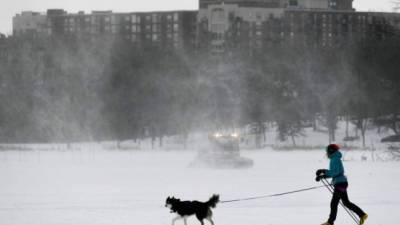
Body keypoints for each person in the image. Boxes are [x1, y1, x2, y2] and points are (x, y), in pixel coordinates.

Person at [315, 144, 368, 225]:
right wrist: (323, 174)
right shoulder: (335, 159)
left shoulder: (335, 159)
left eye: (327, 152)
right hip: (341, 183)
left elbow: (335, 172)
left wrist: (324, 173)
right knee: (345, 203)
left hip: (340, 184)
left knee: (335, 203)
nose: (326, 154)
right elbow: (334, 172)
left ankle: (330, 222)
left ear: (331, 151)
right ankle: (362, 215)